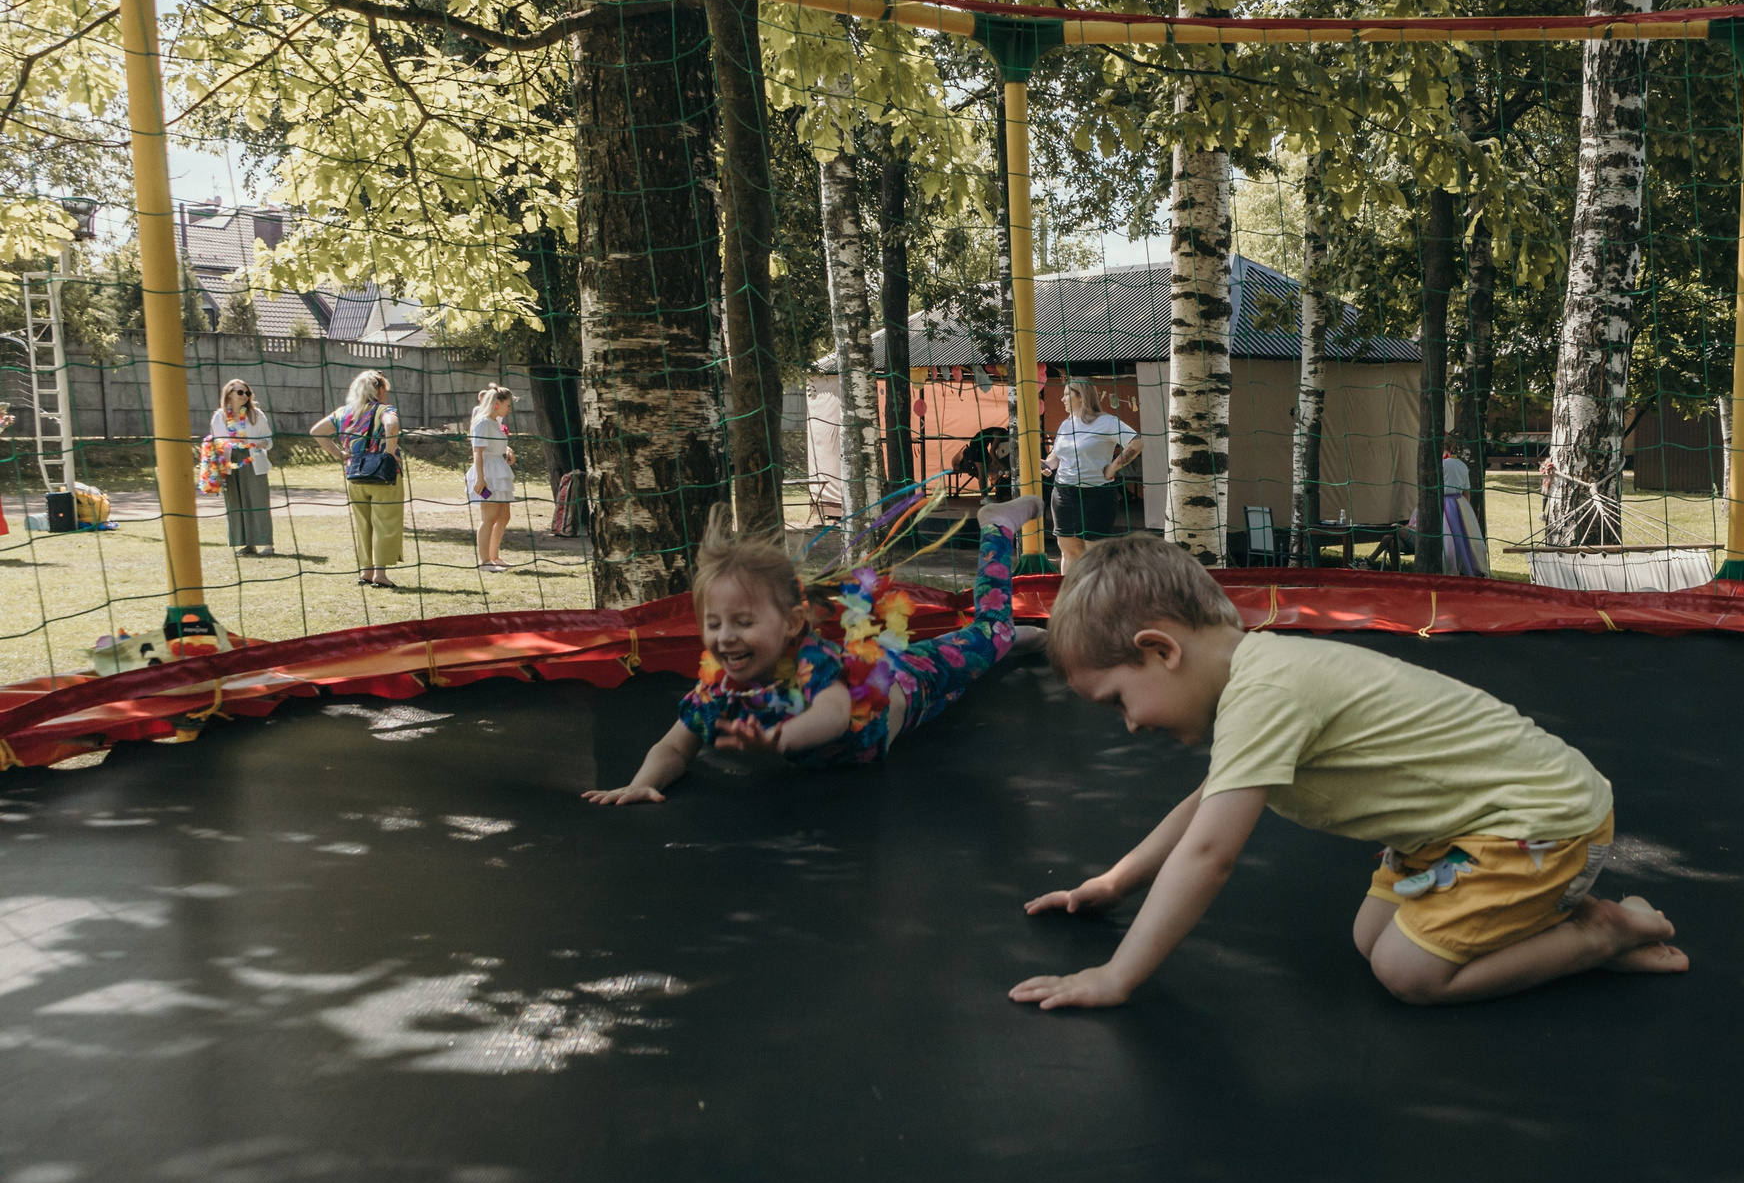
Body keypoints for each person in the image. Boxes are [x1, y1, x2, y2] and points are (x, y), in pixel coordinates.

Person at [1010, 534, 1685, 1010]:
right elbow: (1202, 807)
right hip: (1466, 830)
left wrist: (1116, 975)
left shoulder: (1267, 690)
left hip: (1541, 822)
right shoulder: (1260, 677)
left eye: (1119, 701)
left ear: (1159, 649)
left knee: (1407, 971)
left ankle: (1597, 934)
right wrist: (1114, 881)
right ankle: (1548, 919)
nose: (1129, 724)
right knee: (1370, 935)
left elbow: (1210, 852)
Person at [583, 493, 1042, 804]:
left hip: (906, 683)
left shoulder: (810, 661)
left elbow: (835, 712)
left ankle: (996, 528)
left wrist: (781, 738)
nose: (725, 637)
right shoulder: (718, 692)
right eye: (714, 623)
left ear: (792, 624)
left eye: (744, 622)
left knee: (992, 634)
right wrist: (641, 784)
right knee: (982, 655)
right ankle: (1004, 644)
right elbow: (674, 748)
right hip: (894, 714)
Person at [311, 369, 404, 588]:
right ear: (379, 389)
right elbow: (391, 424)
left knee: (363, 524)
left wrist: (340, 455)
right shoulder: (384, 409)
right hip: (383, 475)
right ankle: (380, 574)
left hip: (355, 475)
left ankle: (366, 571)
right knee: (386, 522)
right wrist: (389, 452)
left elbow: (317, 431)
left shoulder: (344, 412)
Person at [1042, 378, 1140, 563]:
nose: (1061, 399)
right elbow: (1056, 455)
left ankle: (1097, 592)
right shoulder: (1066, 424)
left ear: (1081, 397)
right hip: (1063, 494)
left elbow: (1136, 443)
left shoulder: (1107, 422)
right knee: (1069, 551)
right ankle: (1071, 592)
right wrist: (1047, 464)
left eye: (1066, 395)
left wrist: (1113, 467)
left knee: (1096, 555)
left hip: (1097, 495)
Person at [207, 379, 276, 556]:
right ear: (229, 394)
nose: (244, 396)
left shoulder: (256, 415)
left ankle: (267, 544)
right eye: (240, 392)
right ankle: (247, 544)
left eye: (247, 393)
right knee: (236, 502)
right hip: (229, 461)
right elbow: (215, 442)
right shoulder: (219, 417)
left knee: (258, 501)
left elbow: (269, 440)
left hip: (253, 460)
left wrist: (263, 443)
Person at [467, 384, 517, 571]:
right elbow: (477, 452)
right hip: (488, 472)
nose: (509, 408)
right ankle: (484, 561)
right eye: (508, 405)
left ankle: (495, 556)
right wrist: (481, 479)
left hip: (500, 470)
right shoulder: (482, 422)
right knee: (489, 516)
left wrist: (509, 451)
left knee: (504, 516)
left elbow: (498, 443)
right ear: (497, 404)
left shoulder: (496, 421)